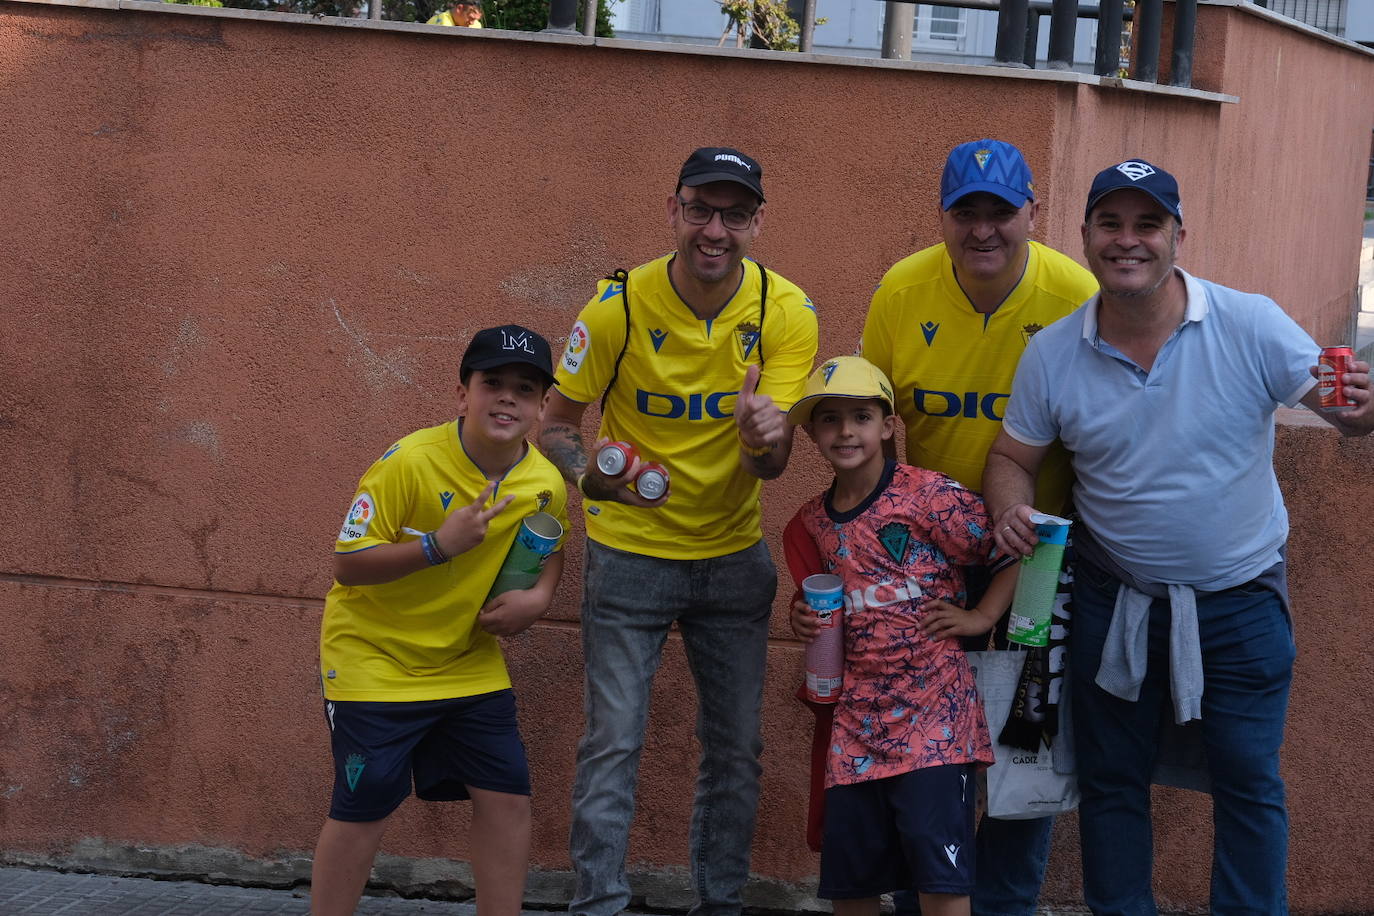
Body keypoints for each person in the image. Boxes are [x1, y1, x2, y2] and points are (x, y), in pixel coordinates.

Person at [984, 159, 1374, 915]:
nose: (1128, 241)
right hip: (1112, 600)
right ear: (1087, 235)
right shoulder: (1054, 353)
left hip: (1241, 603)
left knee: (1248, 779)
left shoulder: (1248, 322)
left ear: (1177, 236)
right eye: (1112, 224)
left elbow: (1344, 413)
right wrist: (1010, 508)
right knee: (1112, 781)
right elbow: (1011, 457)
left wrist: (1362, 408)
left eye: (1147, 225)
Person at [538, 146, 819, 916]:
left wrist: (767, 435)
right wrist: (585, 473)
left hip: (733, 559)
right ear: (673, 210)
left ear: (758, 221)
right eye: (700, 208)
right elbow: (557, 424)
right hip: (629, 557)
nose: (715, 229)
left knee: (736, 754)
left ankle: (720, 904)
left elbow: (770, 469)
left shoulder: (785, 313)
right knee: (613, 744)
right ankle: (598, 903)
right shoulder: (617, 307)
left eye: (734, 213)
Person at [859, 138, 1098, 916]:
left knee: (1022, 750)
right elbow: (876, 425)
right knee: (919, 748)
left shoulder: (1075, 291)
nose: (984, 228)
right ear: (943, 216)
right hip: (924, 563)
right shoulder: (903, 287)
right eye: (968, 211)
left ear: (1034, 211)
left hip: (1039, 562)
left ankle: (1004, 907)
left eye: (1002, 211)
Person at [310, 324, 569, 916]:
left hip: (467, 662)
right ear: (462, 395)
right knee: (365, 803)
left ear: (539, 407)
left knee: (508, 800)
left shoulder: (545, 482)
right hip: (374, 658)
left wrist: (539, 599)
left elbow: (550, 547)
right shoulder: (408, 462)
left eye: (524, 389)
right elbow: (347, 565)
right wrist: (437, 547)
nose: (507, 397)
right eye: (492, 383)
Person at [783, 355, 1018, 916]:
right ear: (811, 433)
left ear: (888, 425)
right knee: (852, 884)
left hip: (936, 718)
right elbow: (821, 602)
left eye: (861, 416)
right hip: (856, 725)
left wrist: (982, 616)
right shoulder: (812, 521)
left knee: (942, 882)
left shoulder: (929, 495)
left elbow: (1013, 550)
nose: (845, 431)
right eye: (829, 419)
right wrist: (802, 618)